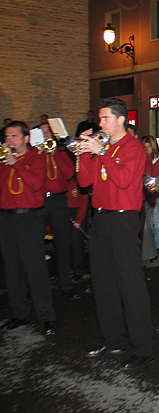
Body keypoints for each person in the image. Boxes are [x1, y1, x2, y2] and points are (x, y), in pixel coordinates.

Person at [77, 98, 154, 370]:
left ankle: (143, 347)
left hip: (123, 220)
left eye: (105, 118)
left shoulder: (133, 147)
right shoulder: (101, 148)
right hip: (100, 219)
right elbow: (84, 181)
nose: (100, 123)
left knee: (130, 284)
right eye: (99, 119)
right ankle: (113, 339)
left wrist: (102, 153)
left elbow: (123, 180)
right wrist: (84, 151)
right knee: (103, 282)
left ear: (121, 119)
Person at [0, 121, 56, 336]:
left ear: (25, 138)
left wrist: (15, 163)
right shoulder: (3, 161)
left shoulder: (37, 158)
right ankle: (20, 313)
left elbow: (35, 184)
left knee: (35, 268)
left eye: (13, 136)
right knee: (11, 268)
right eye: (7, 137)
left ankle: (46, 315)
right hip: (6, 218)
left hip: (30, 217)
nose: (8, 141)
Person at [39, 122, 78, 299]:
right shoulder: (36, 154)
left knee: (62, 243)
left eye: (48, 131)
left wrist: (55, 154)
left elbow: (70, 173)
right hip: (39, 201)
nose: (45, 134)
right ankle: (40, 284)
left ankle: (66, 283)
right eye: (42, 132)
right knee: (36, 245)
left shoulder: (61, 152)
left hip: (58, 200)